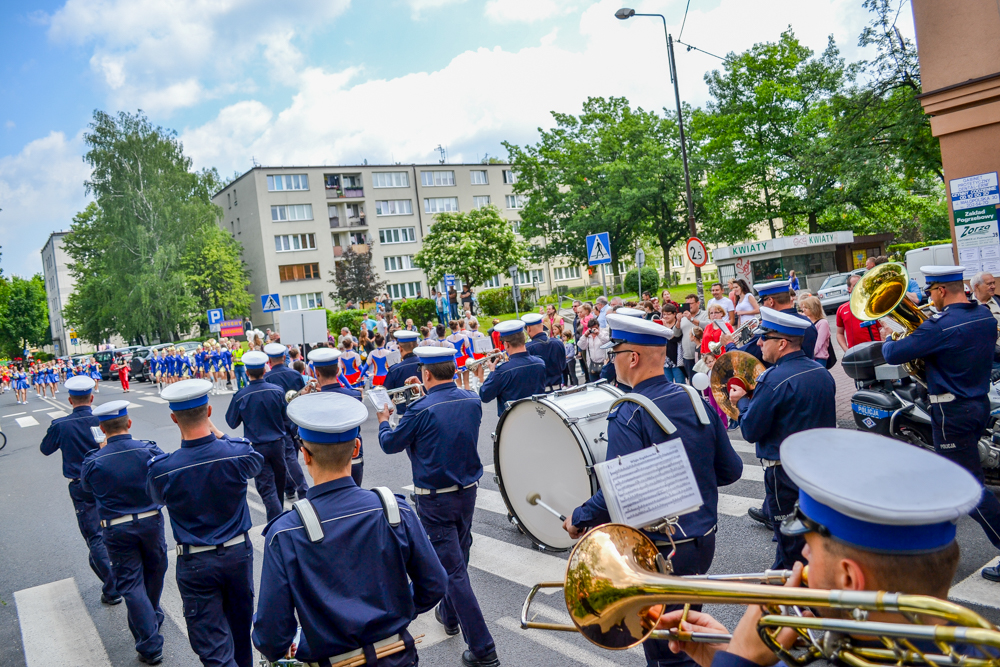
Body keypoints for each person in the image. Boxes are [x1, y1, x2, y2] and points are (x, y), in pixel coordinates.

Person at [657, 428, 985, 667]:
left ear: (848, 578)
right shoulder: (977, 648)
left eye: (811, 547)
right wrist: (727, 654)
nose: (803, 555)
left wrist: (740, 660)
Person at [563, 314, 743, 667]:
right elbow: (731, 470)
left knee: (669, 653)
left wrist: (580, 517)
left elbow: (620, 492)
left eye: (615, 351)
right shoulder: (693, 397)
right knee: (688, 635)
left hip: (661, 549)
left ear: (632, 358)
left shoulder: (628, 412)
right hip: (703, 540)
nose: (610, 357)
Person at [252, 392, 448, 666]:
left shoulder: (285, 532)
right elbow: (435, 585)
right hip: (397, 656)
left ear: (304, 456)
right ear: (356, 449)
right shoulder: (396, 510)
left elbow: (271, 637)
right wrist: (398, 611)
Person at [376, 347, 500, 667]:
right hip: (468, 494)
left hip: (435, 499)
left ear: (427, 374)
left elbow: (391, 444)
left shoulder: (420, 409)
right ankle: (449, 615)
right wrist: (422, 395)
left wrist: (383, 420)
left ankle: (484, 650)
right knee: (458, 559)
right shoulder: (471, 399)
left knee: (454, 572)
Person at [881, 265, 1000, 582]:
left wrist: (888, 337)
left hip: (951, 413)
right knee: (944, 479)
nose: (928, 298)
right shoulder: (984, 316)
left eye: (930, 291)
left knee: (971, 490)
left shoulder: (940, 326)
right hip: (977, 404)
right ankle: (928, 547)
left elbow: (893, 354)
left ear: (942, 290)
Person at [148, 379, 263, 667]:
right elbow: (255, 460)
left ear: (174, 418)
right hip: (238, 555)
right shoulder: (236, 453)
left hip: (196, 562)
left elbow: (155, 498)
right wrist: (219, 434)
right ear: (209, 411)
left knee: (214, 648)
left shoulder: (163, 469)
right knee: (240, 635)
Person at [727, 308, 836, 569]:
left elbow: (751, 431)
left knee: (789, 547)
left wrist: (741, 402)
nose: (760, 344)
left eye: (766, 338)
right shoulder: (822, 373)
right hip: (819, 469)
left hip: (784, 474)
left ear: (782, 343)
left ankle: (790, 598)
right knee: (813, 540)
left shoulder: (772, 379)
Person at [81, 400, 167, 665]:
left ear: (102, 429)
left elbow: (86, 488)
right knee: (154, 572)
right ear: (128, 423)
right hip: (151, 521)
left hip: (116, 528)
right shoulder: (149, 449)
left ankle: (150, 639)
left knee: (131, 583)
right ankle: (150, 621)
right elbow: (164, 476)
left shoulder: (94, 460)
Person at [40, 376, 121, 605]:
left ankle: (113, 588)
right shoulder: (103, 420)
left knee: (95, 536)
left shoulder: (61, 425)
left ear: (69, 400)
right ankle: (123, 577)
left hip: (81, 485)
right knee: (116, 529)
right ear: (92, 397)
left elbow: (45, 449)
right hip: (108, 480)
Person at [224, 351, 289, 522]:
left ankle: (276, 524)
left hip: (257, 447)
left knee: (268, 489)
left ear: (247, 373)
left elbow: (231, 422)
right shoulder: (277, 391)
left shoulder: (241, 395)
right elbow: (286, 417)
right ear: (265, 370)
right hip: (277, 444)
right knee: (278, 486)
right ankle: (278, 520)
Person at [303, 347, 366, 485]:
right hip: (353, 457)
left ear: (316, 373)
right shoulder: (354, 396)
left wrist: (305, 399)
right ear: (338, 370)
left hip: (323, 462)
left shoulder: (310, 401)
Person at [722, 280, 817, 364]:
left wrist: (729, 343)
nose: (762, 306)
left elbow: (739, 358)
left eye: (762, 302)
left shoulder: (769, 328)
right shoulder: (807, 323)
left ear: (771, 301)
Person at [264, 342, 310, 503]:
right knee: (295, 456)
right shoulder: (295, 374)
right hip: (296, 418)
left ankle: (301, 489)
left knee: (289, 457)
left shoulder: (266, 378)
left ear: (269, 360)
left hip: (278, 421)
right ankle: (289, 487)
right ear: (284, 357)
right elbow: (303, 396)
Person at [478, 320, 546, 417]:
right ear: (524, 339)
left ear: (506, 344)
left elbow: (484, 395)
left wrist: (493, 372)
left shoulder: (501, 371)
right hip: (538, 415)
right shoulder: (540, 363)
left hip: (512, 421)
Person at [835, 274, 882, 351]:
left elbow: (881, 328)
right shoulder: (841, 309)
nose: (858, 287)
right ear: (849, 289)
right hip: (856, 352)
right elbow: (839, 334)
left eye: (860, 284)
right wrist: (846, 350)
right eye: (855, 285)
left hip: (877, 348)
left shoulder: (872, 304)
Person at [523, 312, 567, 391]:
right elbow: (563, 366)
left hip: (540, 392)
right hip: (558, 389)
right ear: (542, 326)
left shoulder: (527, 348)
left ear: (528, 329)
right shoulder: (558, 343)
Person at [384, 330, 423, 419]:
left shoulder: (394, 370)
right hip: (427, 413)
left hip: (405, 416)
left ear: (400, 348)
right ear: (417, 346)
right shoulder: (427, 365)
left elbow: (386, 395)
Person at [970, 271, 1000, 371]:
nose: (993, 286)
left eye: (993, 283)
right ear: (977, 286)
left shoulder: (998, 301)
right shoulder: (967, 304)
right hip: (977, 358)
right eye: (989, 284)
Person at [799, 295, 831, 366]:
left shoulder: (823, 323)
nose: (803, 310)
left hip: (819, 358)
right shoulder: (806, 320)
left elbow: (819, 343)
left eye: (806, 308)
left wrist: (810, 354)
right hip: (808, 357)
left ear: (813, 308)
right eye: (803, 307)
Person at [679, 294, 705, 380]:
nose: (689, 306)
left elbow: (708, 325)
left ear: (698, 303)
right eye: (687, 304)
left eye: (691, 303)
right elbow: (676, 334)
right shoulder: (683, 317)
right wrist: (678, 321)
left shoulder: (705, 314)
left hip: (702, 355)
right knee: (692, 381)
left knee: (703, 381)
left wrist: (691, 319)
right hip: (688, 356)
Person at [577, 318, 608, 383]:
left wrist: (598, 334)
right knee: (594, 386)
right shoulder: (588, 336)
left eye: (596, 328)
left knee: (604, 385)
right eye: (592, 329)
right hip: (592, 365)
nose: (594, 330)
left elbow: (607, 342)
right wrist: (585, 335)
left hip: (604, 364)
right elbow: (581, 346)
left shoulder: (603, 333)